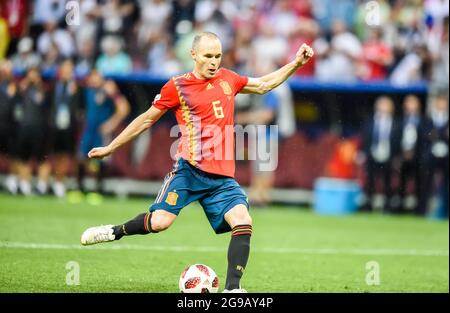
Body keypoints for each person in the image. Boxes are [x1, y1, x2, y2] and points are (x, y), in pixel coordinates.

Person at [80, 32, 314, 292]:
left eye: (218, 56)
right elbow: (147, 119)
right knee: (159, 223)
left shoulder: (229, 78)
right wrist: (111, 147)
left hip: (221, 178)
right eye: (208, 56)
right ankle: (115, 231)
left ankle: (233, 289)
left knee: (243, 220)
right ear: (194, 55)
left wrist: (295, 64)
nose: (214, 62)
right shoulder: (177, 86)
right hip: (189, 171)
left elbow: (263, 85)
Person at [70, 69, 129, 203]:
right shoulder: (87, 90)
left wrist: (111, 124)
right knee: (81, 158)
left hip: (101, 132)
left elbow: (124, 108)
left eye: (97, 76)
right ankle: (79, 189)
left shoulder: (108, 90)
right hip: (88, 130)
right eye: (92, 76)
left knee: (99, 161)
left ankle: (97, 191)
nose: (94, 79)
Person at [362, 96, 401, 213]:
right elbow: (365, 138)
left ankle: (387, 207)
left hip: (388, 155)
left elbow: (397, 141)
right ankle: (369, 205)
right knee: (370, 181)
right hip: (373, 154)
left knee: (388, 182)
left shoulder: (396, 123)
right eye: (382, 105)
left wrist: (396, 156)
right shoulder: (370, 121)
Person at [49, 59, 81, 197]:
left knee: (68, 155)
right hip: (54, 126)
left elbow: (79, 108)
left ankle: (65, 183)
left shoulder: (76, 88)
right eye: (65, 69)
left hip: (69, 127)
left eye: (70, 70)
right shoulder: (53, 86)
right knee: (53, 154)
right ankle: (53, 182)